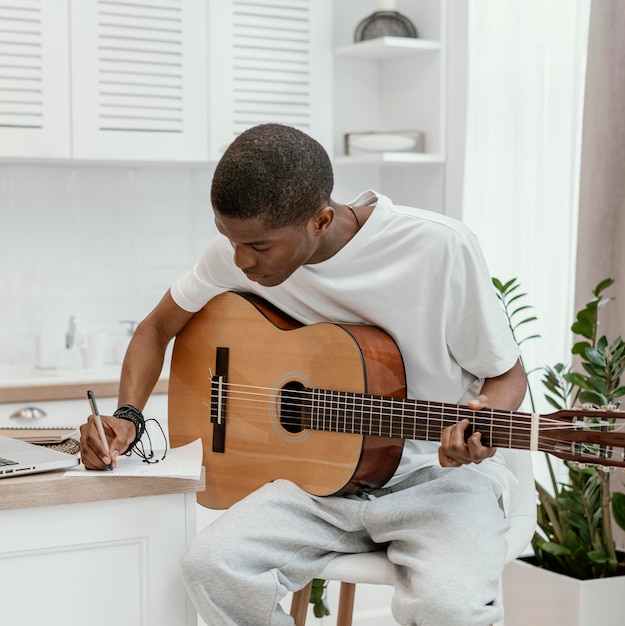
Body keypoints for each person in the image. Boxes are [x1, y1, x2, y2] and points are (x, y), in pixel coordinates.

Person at [80, 123, 527, 626]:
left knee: (448, 607)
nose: (241, 261)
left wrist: (480, 424)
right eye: (230, 239)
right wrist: (127, 416)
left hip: (437, 481)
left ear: (321, 219)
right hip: (313, 489)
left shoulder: (438, 247)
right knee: (212, 566)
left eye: (261, 247)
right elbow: (156, 328)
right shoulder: (235, 255)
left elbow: (507, 376)